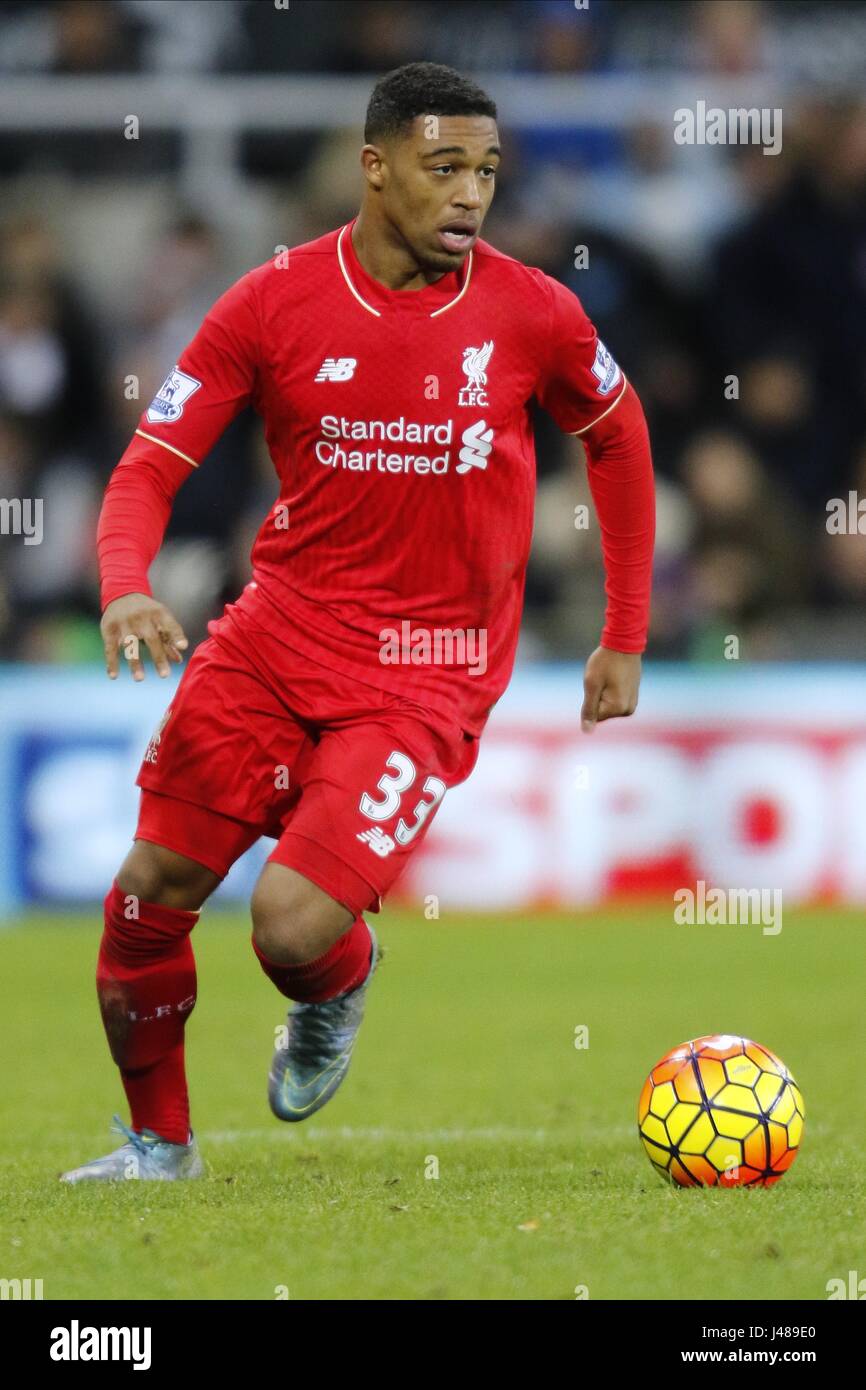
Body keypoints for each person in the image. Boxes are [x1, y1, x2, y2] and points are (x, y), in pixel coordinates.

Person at [61, 62, 655, 1182]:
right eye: (443, 169)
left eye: (484, 170)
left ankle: (335, 983)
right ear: (374, 169)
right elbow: (150, 464)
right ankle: (158, 1147)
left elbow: (617, 437)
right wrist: (125, 583)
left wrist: (622, 630)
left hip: (426, 672)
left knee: (288, 925)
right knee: (147, 898)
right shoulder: (271, 302)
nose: (469, 194)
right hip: (273, 637)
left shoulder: (532, 310)